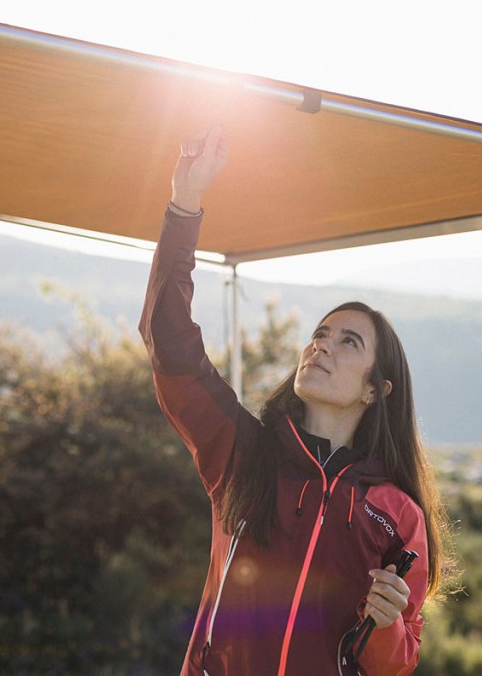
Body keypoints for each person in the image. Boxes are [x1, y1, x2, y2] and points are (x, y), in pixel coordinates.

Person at [139, 126, 448, 676]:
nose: (321, 346)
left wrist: (386, 625)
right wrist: (185, 206)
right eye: (320, 335)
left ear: (376, 390)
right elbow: (170, 344)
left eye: (347, 342)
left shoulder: (399, 516)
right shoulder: (242, 452)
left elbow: (397, 665)